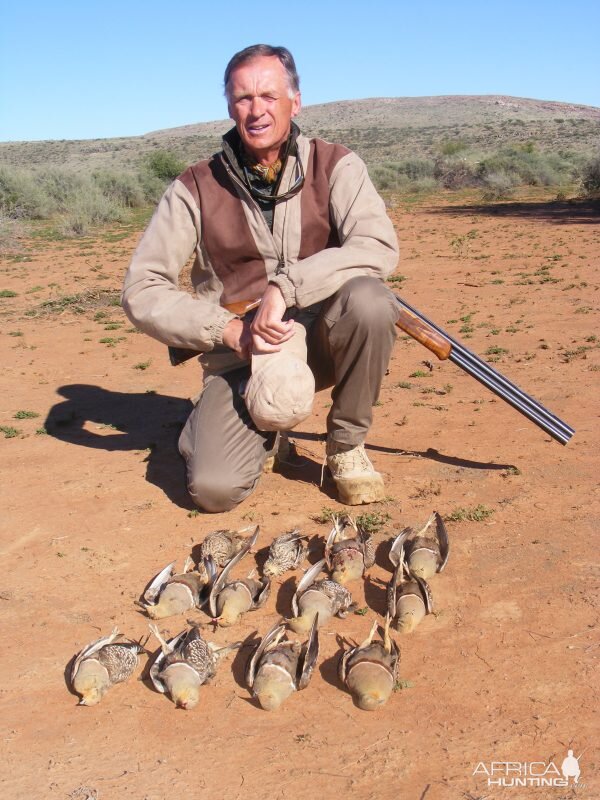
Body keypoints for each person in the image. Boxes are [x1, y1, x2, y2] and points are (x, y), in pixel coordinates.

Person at [122, 44, 400, 513]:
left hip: (319, 342)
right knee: (214, 490)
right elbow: (142, 288)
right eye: (243, 98)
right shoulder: (193, 187)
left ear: (296, 99)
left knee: (370, 301)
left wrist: (285, 288)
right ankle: (254, 430)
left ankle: (347, 446)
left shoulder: (337, 165)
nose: (256, 110)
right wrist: (228, 330)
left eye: (269, 96)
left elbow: (376, 246)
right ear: (229, 105)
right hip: (239, 359)